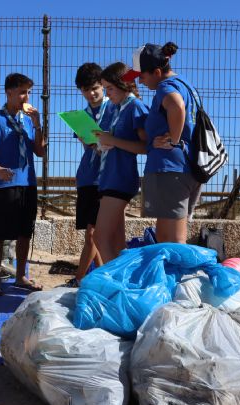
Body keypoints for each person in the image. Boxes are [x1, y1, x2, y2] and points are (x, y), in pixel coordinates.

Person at [122, 42, 201, 243]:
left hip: (170, 170)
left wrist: (173, 140)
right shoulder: (185, 85)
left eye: (142, 76)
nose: (139, 81)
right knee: (166, 238)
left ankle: (173, 275)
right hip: (186, 167)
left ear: (157, 72)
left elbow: (176, 106)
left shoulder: (166, 87)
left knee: (172, 241)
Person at [0, 73, 46, 296]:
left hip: (27, 183)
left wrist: (37, 125)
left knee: (25, 231)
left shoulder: (28, 121)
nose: (26, 97)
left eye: (28, 92)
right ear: (9, 93)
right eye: (22, 92)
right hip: (2, 185)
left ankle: (20, 276)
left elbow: (40, 151)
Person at [64, 63, 116, 288]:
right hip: (87, 177)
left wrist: (101, 142)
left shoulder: (114, 108)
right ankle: (101, 275)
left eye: (95, 88)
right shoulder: (81, 116)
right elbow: (88, 143)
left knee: (94, 235)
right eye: (86, 90)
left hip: (107, 178)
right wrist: (87, 139)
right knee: (91, 233)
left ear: (103, 86)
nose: (92, 93)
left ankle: (79, 279)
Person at [92, 62, 149, 263]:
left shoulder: (135, 107)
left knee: (99, 237)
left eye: (110, 88)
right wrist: (102, 142)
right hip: (108, 177)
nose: (107, 94)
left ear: (124, 85)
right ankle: (123, 283)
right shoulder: (115, 108)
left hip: (120, 179)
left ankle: (114, 284)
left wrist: (113, 141)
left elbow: (145, 147)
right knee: (116, 243)